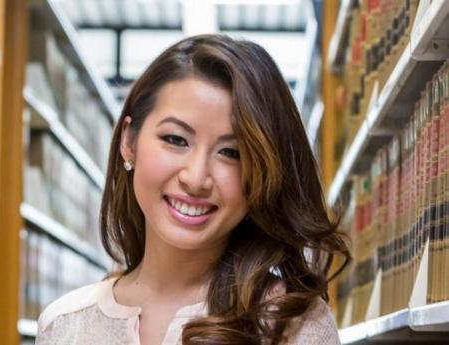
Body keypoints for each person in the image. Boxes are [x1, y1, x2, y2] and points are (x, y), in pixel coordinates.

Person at [36, 34, 350, 345]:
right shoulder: (64, 326)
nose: (196, 178)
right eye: (175, 140)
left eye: (232, 153)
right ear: (129, 142)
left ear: (263, 173)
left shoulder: (293, 324)